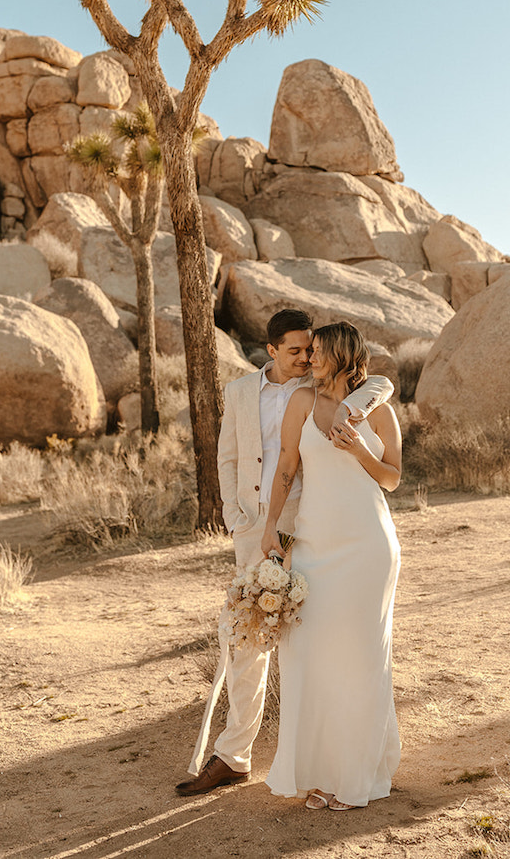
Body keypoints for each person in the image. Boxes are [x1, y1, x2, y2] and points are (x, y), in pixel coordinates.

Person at [176, 309, 394, 797]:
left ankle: (331, 755)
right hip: (261, 527)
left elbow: (376, 382)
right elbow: (227, 456)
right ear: (271, 350)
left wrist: (366, 403)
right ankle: (234, 755)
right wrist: (242, 522)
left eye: (310, 349)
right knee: (246, 635)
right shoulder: (239, 392)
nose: (304, 357)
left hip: (315, 525)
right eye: (294, 350)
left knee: (313, 642)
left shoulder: (340, 392)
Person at [261, 320, 402, 811]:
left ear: (342, 354)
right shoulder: (302, 402)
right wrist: (270, 526)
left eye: (318, 351)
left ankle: (356, 775)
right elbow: (285, 466)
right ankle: (320, 773)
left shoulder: (378, 408)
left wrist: (360, 449)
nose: (309, 358)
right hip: (316, 546)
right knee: (314, 658)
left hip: (367, 547)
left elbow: (392, 479)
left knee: (361, 657)